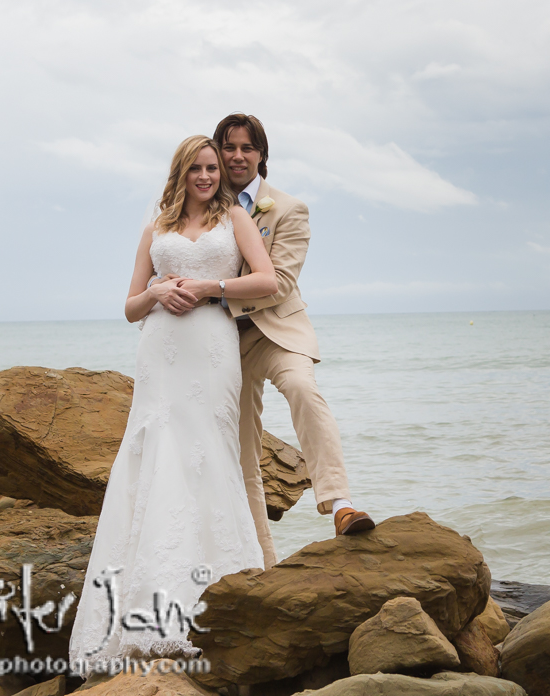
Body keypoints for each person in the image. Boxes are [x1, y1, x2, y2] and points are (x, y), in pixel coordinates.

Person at [68, 135, 278, 669]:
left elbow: (267, 281)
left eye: (213, 168)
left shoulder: (236, 221)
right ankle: (145, 608)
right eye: (198, 169)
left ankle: (217, 595)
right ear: (181, 173)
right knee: (155, 454)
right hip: (159, 351)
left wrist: (209, 287)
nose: (208, 176)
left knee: (207, 453)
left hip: (210, 347)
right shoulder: (156, 228)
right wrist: (159, 293)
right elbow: (130, 307)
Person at [216, 113, 373, 565]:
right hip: (222, 345)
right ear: (216, 152)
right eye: (229, 147)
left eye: (247, 147)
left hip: (276, 331)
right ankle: (264, 559)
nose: (237, 156)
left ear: (262, 155)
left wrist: (214, 296)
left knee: (304, 390)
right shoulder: (202, 209)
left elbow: (280, 283)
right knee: (243, 448)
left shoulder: (287, 208)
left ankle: (340, 504)